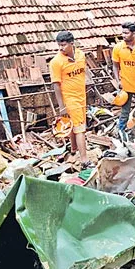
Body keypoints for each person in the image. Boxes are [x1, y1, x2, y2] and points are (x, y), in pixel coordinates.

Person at [50, 31, 92, 168]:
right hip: (69, 99)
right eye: (59, 45)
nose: (61, 48)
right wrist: (62, 106)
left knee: (75, 125)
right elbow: (56, 85)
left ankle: (74, 149)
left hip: (81, 96)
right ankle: (84, 159)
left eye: (63, 45)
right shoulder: (56, 62)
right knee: (80, 128)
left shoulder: (81, 55)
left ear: (72, 44)